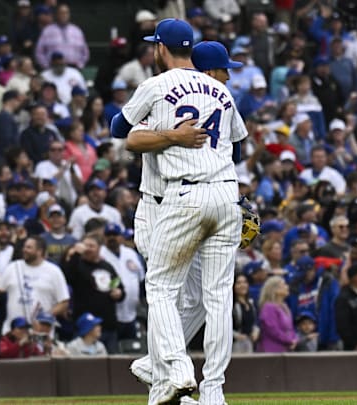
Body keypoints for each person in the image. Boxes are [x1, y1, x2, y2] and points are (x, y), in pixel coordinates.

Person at [113, 26, 247, 403]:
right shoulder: (221, 92)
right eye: (224, 68)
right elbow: (236, 150)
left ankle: (171, 368)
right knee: (215, 297)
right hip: (217, 192)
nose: (228, 74)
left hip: (181, 196)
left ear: (160, 48)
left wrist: (169, 133)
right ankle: (207, 388)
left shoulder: (157, 88)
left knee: (164, 290)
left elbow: (120, 131)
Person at [62, 234, 123, 354]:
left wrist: (119, 293)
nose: (88, 248)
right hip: (85, 328)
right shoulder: (77, 265)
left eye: (91, 246)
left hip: (108, 326)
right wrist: (76, 254)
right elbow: (67, 276)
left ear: (99, 248)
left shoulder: (107, 266)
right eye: (85, 245)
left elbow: (119, 287)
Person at [0, 236, 69, 333]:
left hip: (41, 332)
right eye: (24, 247)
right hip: (13, 332)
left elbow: (64, 302)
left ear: (39, 251)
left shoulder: (54, 271)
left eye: (29, 247)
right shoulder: (12, 267)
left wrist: (45, 317)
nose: (24, 250)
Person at [100, 223, 145, 341]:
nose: (112, 238)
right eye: (108, 235)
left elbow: (141, 279)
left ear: (121, 237)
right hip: (111, 315)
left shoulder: (131, 254)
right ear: (104, 237)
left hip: (133, 313)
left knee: (133, 349)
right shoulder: (100, 254)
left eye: (115, 234)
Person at [34, 4, 89, 69]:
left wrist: (80, 65)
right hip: (54, 69)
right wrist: (46, 67)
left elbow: (85, 52)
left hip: (74, 68)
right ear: (57, 14)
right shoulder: (47, 30)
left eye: (66, 13)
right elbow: (39, 52)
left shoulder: (77, 30)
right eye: (61, 13)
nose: (64, 15)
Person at [257, 276, 297, 353]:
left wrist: (294, 339)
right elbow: (273, 331)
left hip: (286, 349)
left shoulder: (285, 307)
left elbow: (290, 328)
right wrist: (289, 340)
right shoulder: (268, 308)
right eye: (284, 284)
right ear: (275, 290)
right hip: (271, 350)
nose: (287, 286)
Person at [232, 273, 258, 353]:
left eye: (245, 282)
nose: (242, 285)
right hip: (235, 344)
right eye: (239, 283)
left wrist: (256, 331)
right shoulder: (231, 305)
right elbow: (225, 326)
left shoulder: (251, 303)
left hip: (250, 342)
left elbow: (254, 322)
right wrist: (236, 335)